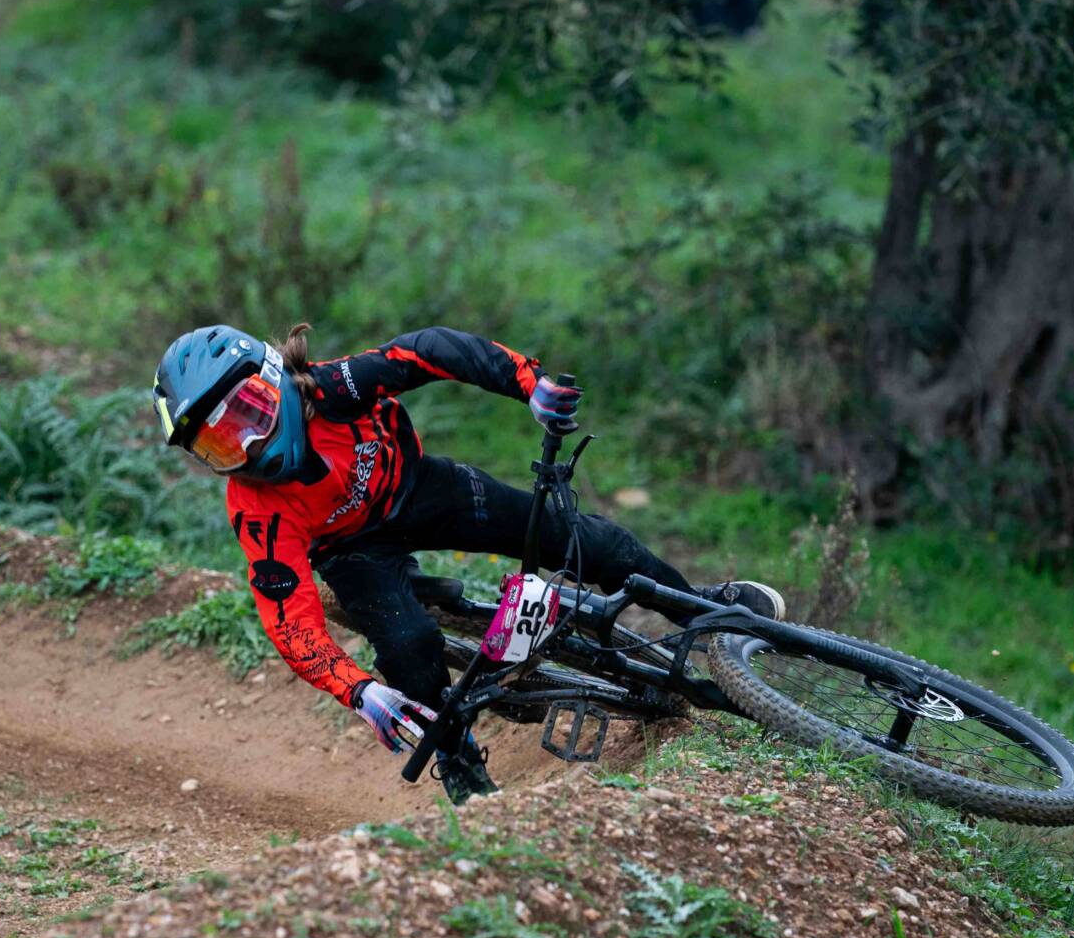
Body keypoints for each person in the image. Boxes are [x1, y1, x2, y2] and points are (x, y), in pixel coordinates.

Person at [150, 322, 785, 804]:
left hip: (422, 490)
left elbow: (432, 350)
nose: (250, 446)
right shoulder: (257, 509)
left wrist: (530, 386)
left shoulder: (337, 387)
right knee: (409, 647)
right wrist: (361, 692)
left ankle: (700, 607)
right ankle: (457, 757)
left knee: (586, 541)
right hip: (351, 551)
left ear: (277, 378)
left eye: (252, 413)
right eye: (219, 444)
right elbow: (289, 619)